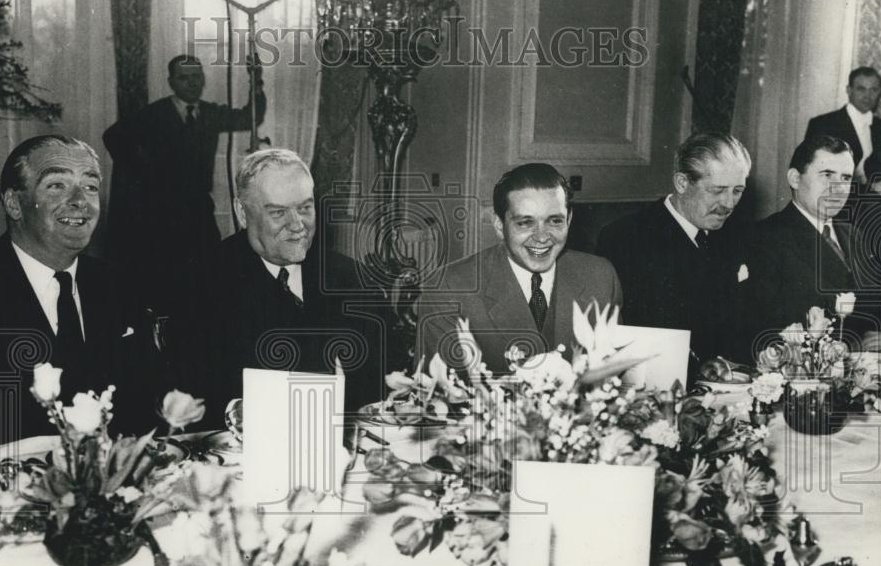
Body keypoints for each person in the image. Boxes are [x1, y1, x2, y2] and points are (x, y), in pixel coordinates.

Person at [0, 135, 154, 447]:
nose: (80, 201)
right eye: (56, 185)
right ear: (14, 204)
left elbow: (143, 406)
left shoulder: (118, 284)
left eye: (90, 186)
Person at [191, 149, 385, 426]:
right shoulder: (202, 282)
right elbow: (195, 390)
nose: (297, 226)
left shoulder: (352, 279)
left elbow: (381, 378)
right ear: (242, 213)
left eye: (305, 208)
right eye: (278, 212)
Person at [417, 163, 622, 374]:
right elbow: (438, 398)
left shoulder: (600, 277)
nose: (542, 237)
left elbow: (617, 376)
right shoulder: (449, 288)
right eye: (525, 223)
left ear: (569, 220)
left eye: (554, 221)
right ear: (499, 225)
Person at [102, 54, 266, 318]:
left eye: (196, 77)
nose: (191, 83)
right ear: (171, 82)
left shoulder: (210, 114)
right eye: (184, 78)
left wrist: (256, 80)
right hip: (161, 214)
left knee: (207, 275)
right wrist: (144, 171)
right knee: (165, 282)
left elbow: (250, 118)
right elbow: (112, 136)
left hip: (199, 209)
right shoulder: (154, 114)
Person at [596, 133, 752, 379]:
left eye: (737, 191)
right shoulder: (627, 238)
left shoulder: (733, 235)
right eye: (718, 190)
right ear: (681, 183)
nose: (729, 204)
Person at [745, 134, 881, 352]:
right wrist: (854, 344)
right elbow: (765, 326)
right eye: (826, 175)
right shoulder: (764, 238)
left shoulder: (856, 236)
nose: (838, 188)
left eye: (846, 178)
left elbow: (874, 313)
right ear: (795, 178)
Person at [804, 66, 881, 189]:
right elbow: (814, 171)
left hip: (874, 203)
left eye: (874, 90)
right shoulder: (823, 124)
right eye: (861, 89)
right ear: (849, 90)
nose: (867, 96)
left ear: (880, 92)